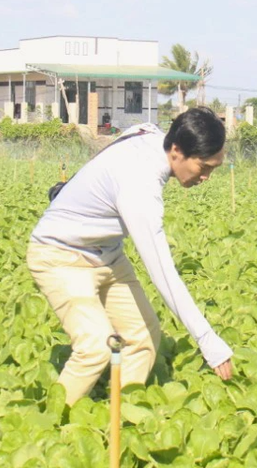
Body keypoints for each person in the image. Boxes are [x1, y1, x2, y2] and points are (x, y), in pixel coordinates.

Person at [26, 107, 234, 404]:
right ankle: (48, 428)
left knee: (144, 335)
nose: (206, 177)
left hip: (106, 254)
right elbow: (163, 273)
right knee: (96, 347)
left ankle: (121, 417)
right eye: (204, 167)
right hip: (61, 255)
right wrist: (207, 340)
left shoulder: (151, 135)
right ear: (177, 150)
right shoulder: (141, 185)